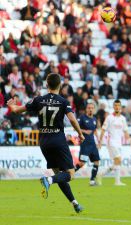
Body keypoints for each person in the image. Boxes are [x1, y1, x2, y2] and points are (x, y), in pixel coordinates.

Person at [7, 73, 85, 213]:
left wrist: (12, 106)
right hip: (58, 140)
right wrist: (80, 133)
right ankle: (48, 181)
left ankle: (75, 203)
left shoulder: (38, 100)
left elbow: (17, 110)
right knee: (70, 174)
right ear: (60, 85)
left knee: (59, 175)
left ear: (47, 85)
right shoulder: (63, 101)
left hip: (44, 141)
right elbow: (73, 120)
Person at [98, 100, 131, 185]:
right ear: (113, 107)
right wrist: (100, 141)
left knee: (117, 163)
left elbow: (125, 131)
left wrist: (130, 141)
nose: (117, 107)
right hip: (111, 143)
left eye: (119, 105)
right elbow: (103, 130)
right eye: (116, 105)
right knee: (118, 160)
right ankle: (117, 182)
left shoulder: (123, 119)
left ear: (120, 107)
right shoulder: (109, 117)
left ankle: (101, 174)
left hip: (119, 143)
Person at [74, 103, 101, 186]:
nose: (90, 109)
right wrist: (85, 131)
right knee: (82, 163)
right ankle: (67, 175)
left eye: (92, 108)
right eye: (89, 108)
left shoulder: (94, 119)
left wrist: (99, 141)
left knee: (96, 162)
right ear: (86, 109)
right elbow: (75, 127)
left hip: (93, 144)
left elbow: (95, 130)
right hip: (85, 144)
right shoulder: (82, 118)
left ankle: (92, 180)